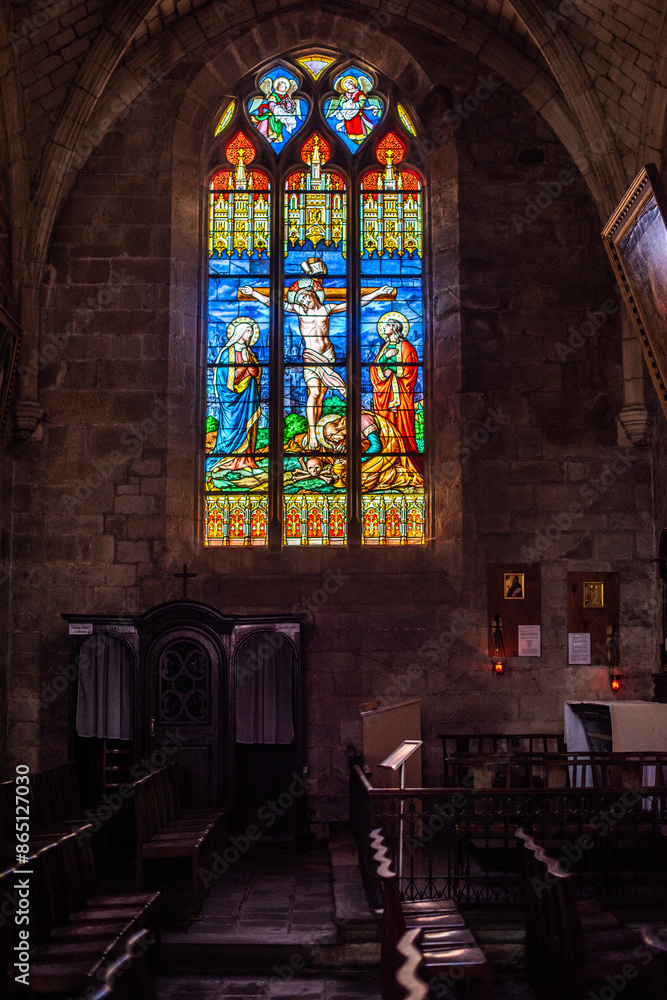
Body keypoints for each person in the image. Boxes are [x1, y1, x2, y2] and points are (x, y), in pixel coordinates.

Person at [241, 261, 392, 449]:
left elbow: (354, 303)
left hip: (328, 355)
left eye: (305, 298)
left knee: (322, 394)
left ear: (312, 293)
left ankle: (333, 429)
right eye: (300, 300)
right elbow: (274, 302)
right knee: (314, 392)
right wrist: (254, 293)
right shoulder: (298, 310)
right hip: (310, 355)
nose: (303, 302)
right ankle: (312, 434)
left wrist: (378, 292)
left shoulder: (326, 309)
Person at [207, 319, 261, 477]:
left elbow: (256, 373)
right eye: (248, 331)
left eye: (251, 332)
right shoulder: (227, 353)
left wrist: (251, 368)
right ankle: (224, 460)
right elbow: (225, 379)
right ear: (240, 332)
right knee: (230, 428)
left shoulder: (249, 352)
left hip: (247, 396)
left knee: (246, 426)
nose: (250, 334)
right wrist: (244, 366)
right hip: (230, 399)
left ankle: (245, 460)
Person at [370, 314, 421, 469]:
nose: (385, 327)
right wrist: (385, 358)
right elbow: (375, 368)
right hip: (385, 393)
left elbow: (409, 370)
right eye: (385, 325)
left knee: (402, 424)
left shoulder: (406, 347)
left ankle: (404, 458)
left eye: (388, 325)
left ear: (395, 328)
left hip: (401, 394)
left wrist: (391, 369)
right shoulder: (385, 347)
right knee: (385, 424)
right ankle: (386, 455)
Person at [250, 76, 298, 144]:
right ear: (277, 87)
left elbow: (289, 104)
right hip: (274, 112)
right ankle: (271, 135)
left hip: (283, 113)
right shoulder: (273, 95)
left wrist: (288, 109)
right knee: (270, 120)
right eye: (281, 87)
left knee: (282, 121)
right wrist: (278, 110)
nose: (283, 88)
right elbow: (271, 105)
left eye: (284, 87)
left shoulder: (286, 96)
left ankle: (278, 135)